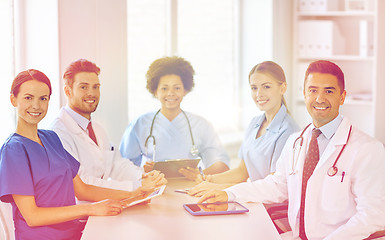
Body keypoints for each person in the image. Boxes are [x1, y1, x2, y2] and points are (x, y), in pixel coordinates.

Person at [198, 60, 385, 239]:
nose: (320, 98)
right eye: (313, 90)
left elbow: (373, 215)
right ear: (304, 94)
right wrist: (229, 194)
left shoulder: (367, 150)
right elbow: (277, 185)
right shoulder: (296, 141)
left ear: (342, 96)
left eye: (329, 91)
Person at [0, 69, 153, 239]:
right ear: (13, 99)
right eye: (28, 98)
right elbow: (32, 216)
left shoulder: (51, 138)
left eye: (43, 98)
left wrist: (134, 195)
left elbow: (83, 189)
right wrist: (91, 208)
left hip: (73, 233)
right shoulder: (13, 150)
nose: (36, 105)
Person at [49, 59, 166, 192]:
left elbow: (117, 165)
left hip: (105, 204)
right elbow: (82, 183)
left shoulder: (97, 129)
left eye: (96, 87)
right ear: (68, 91)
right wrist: (136, 186)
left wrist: (144, 177)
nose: (91, 93)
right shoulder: (58, 132)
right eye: (83, 87)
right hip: (80, 208)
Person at [188, 61, 299, 196]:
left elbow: (273, 187)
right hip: (249, 197)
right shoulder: (255, 123)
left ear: (283, 88)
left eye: (266, 87)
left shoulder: (289, 132)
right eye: (254, 88)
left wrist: (222, 189)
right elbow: (242, 171)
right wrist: (208, 179)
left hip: (266, 204)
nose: (259, 94)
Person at [119, 56, 230, 176]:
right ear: (156, 91)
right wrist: (142, 171)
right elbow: (123, 166)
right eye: (164, 88)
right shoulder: (140, 124)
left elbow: (221, 164)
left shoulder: (201, 125)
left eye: (177, 88)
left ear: (185, 90)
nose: (170, 93)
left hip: (191, 189)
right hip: (153, 188)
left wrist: (199, 174)